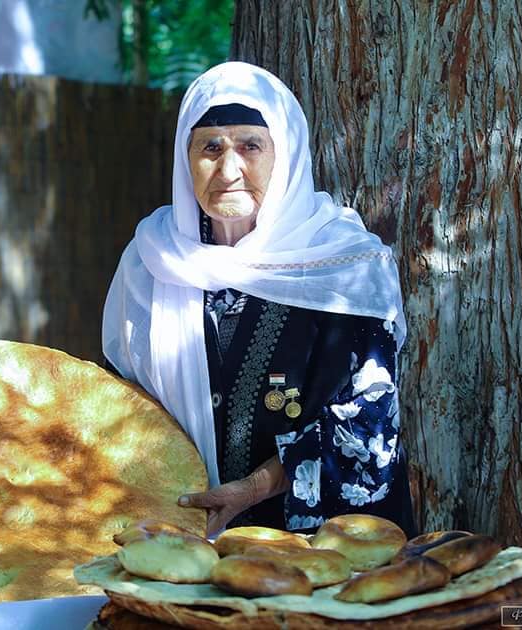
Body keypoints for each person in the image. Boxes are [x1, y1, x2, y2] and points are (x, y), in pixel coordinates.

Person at [102, 62, 414, 537]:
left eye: (250, 146)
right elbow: (119, 404)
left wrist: (252, 488)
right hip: (182, 539)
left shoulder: (345, 263)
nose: (229, 170)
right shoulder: (152, 261)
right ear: (185, 159)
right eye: (210, 147)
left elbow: (366, 423)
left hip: (322, 547)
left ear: (284, 154)